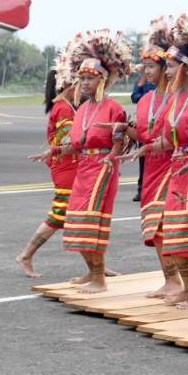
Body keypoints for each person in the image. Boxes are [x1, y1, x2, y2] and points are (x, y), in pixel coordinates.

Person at [147, 15, 188, 309]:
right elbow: (169, 139)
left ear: (186, 68)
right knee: (172, 231)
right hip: (176, 169)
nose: (167, 71)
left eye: (171, 66)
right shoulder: (175, 99)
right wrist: (144, 149)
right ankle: (186, 288)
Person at [114, 17, 181, 299]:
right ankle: (170, 280)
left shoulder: (180, 98)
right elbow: (144, 135)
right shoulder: (144, 101)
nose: (147, 71)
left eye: (152, 66)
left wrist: (152, 146)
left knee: (171, 225)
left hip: (173, 166)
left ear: (166, 68)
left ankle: (184, 282)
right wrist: (124, 130)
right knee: (154, 228)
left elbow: (181, 136)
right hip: (151, 168)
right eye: (146, 67)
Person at [61, 30, 131, 294]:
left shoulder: (113, 108)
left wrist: (110, 160)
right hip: (84, 168)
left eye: (90, 78)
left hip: (103, 168)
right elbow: (77, 142)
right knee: (77, 220)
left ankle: (99, 278)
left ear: (102, 80)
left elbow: (120, 142)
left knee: (93, 221)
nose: (85, 83)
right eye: (82, 78)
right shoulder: (83, 108)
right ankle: (91, 272)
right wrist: (56, 151)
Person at [17, 54, 80, 278]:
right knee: (59, 215)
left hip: (68, 166)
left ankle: (97, 267)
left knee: (78, 217)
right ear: (70, 85)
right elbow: (67, 143)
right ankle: (26, 255)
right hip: (67, 168)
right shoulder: (63, 109)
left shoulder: (64, 106)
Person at [130, 65, 157, 202]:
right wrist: (146, 95)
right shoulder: (142, 81)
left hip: (158, 122)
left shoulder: (163, 82)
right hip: (145, 121)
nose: (148, 70)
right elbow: (134, 97)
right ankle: (141, 189)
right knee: (143, 159)